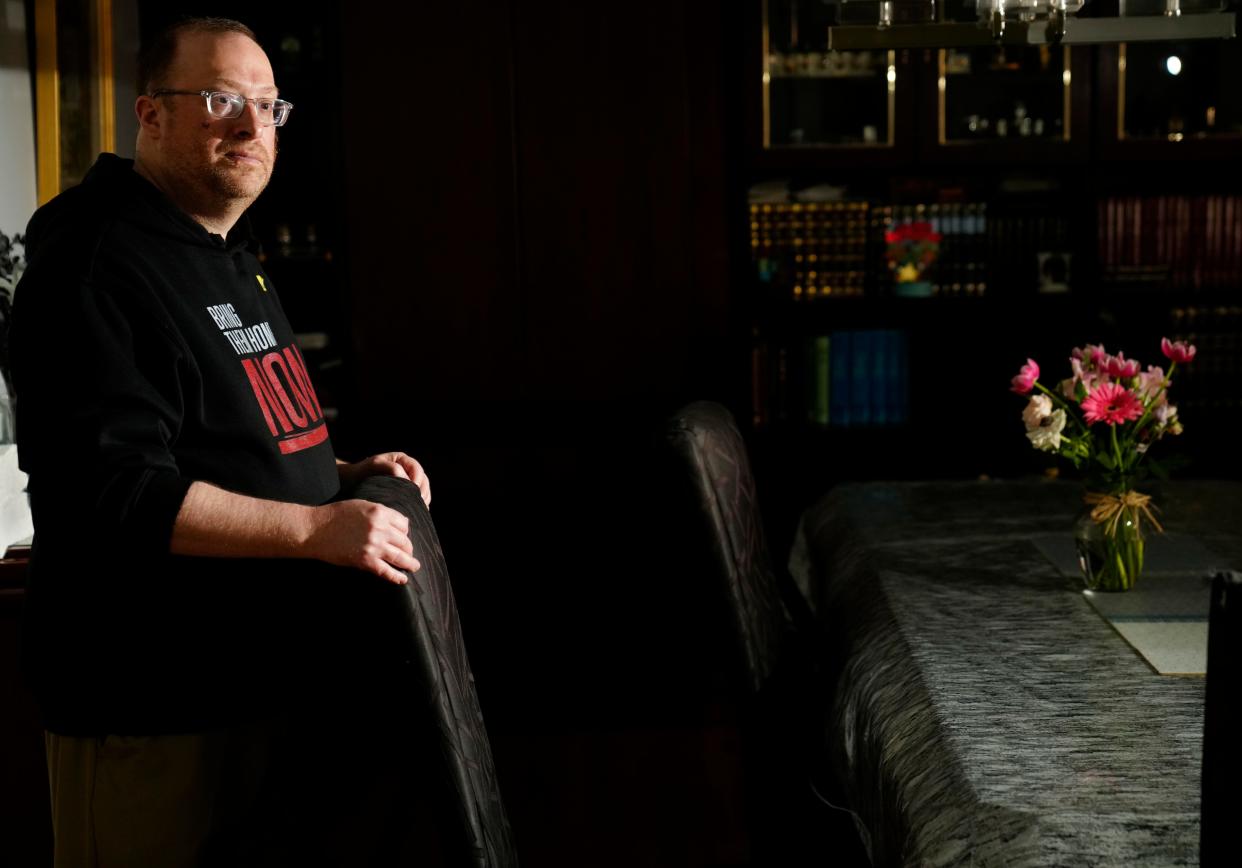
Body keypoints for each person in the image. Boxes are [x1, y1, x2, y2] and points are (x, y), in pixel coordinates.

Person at [11, 17, 432, 867]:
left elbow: (224, 440)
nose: (250, 126)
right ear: (149, 115)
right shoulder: (95, 261)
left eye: (268, 106)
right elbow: (114, 494)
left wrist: (341, 476)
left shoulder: (222, 249)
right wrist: (317, 530)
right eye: (220, 100)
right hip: (154, 708)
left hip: (261, 692)